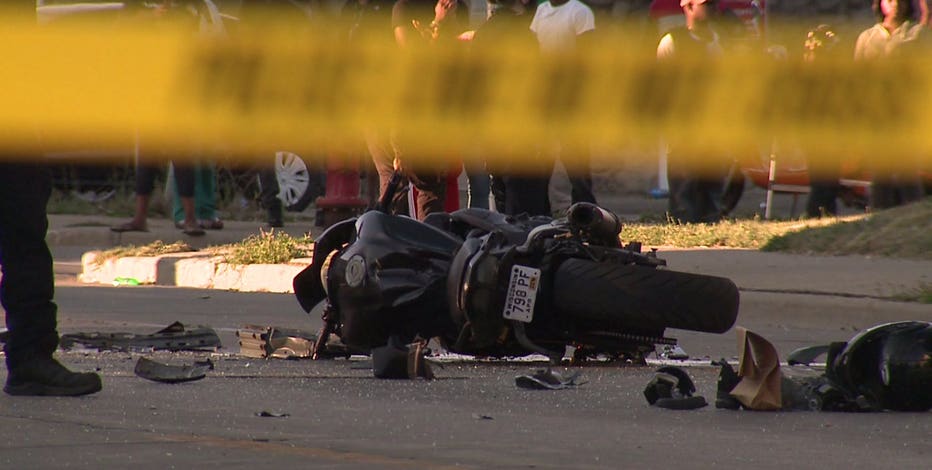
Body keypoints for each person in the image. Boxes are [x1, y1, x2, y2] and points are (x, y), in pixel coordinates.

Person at [656, 0, 727, 223]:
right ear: (688, 7)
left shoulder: (718, 40)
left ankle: (711, 220)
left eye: (714, 4)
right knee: (684, 177)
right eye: (706, 4)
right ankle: (682, 221)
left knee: (712, 177)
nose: (712, 9)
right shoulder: (673, 41)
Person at [854, 0, 926, 210]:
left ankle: (915, 217)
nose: (895, 4)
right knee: (880, 173)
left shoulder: (918, 34)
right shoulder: (868, 37)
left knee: (906, 171)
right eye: (890, 0)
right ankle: (878, 218)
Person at [529, 0, 598, 213]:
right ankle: (540, 212)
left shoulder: (579, 12)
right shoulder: (542, 10)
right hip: (545, 96)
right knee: (543, 158)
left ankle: (584, 211)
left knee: (575, 158)